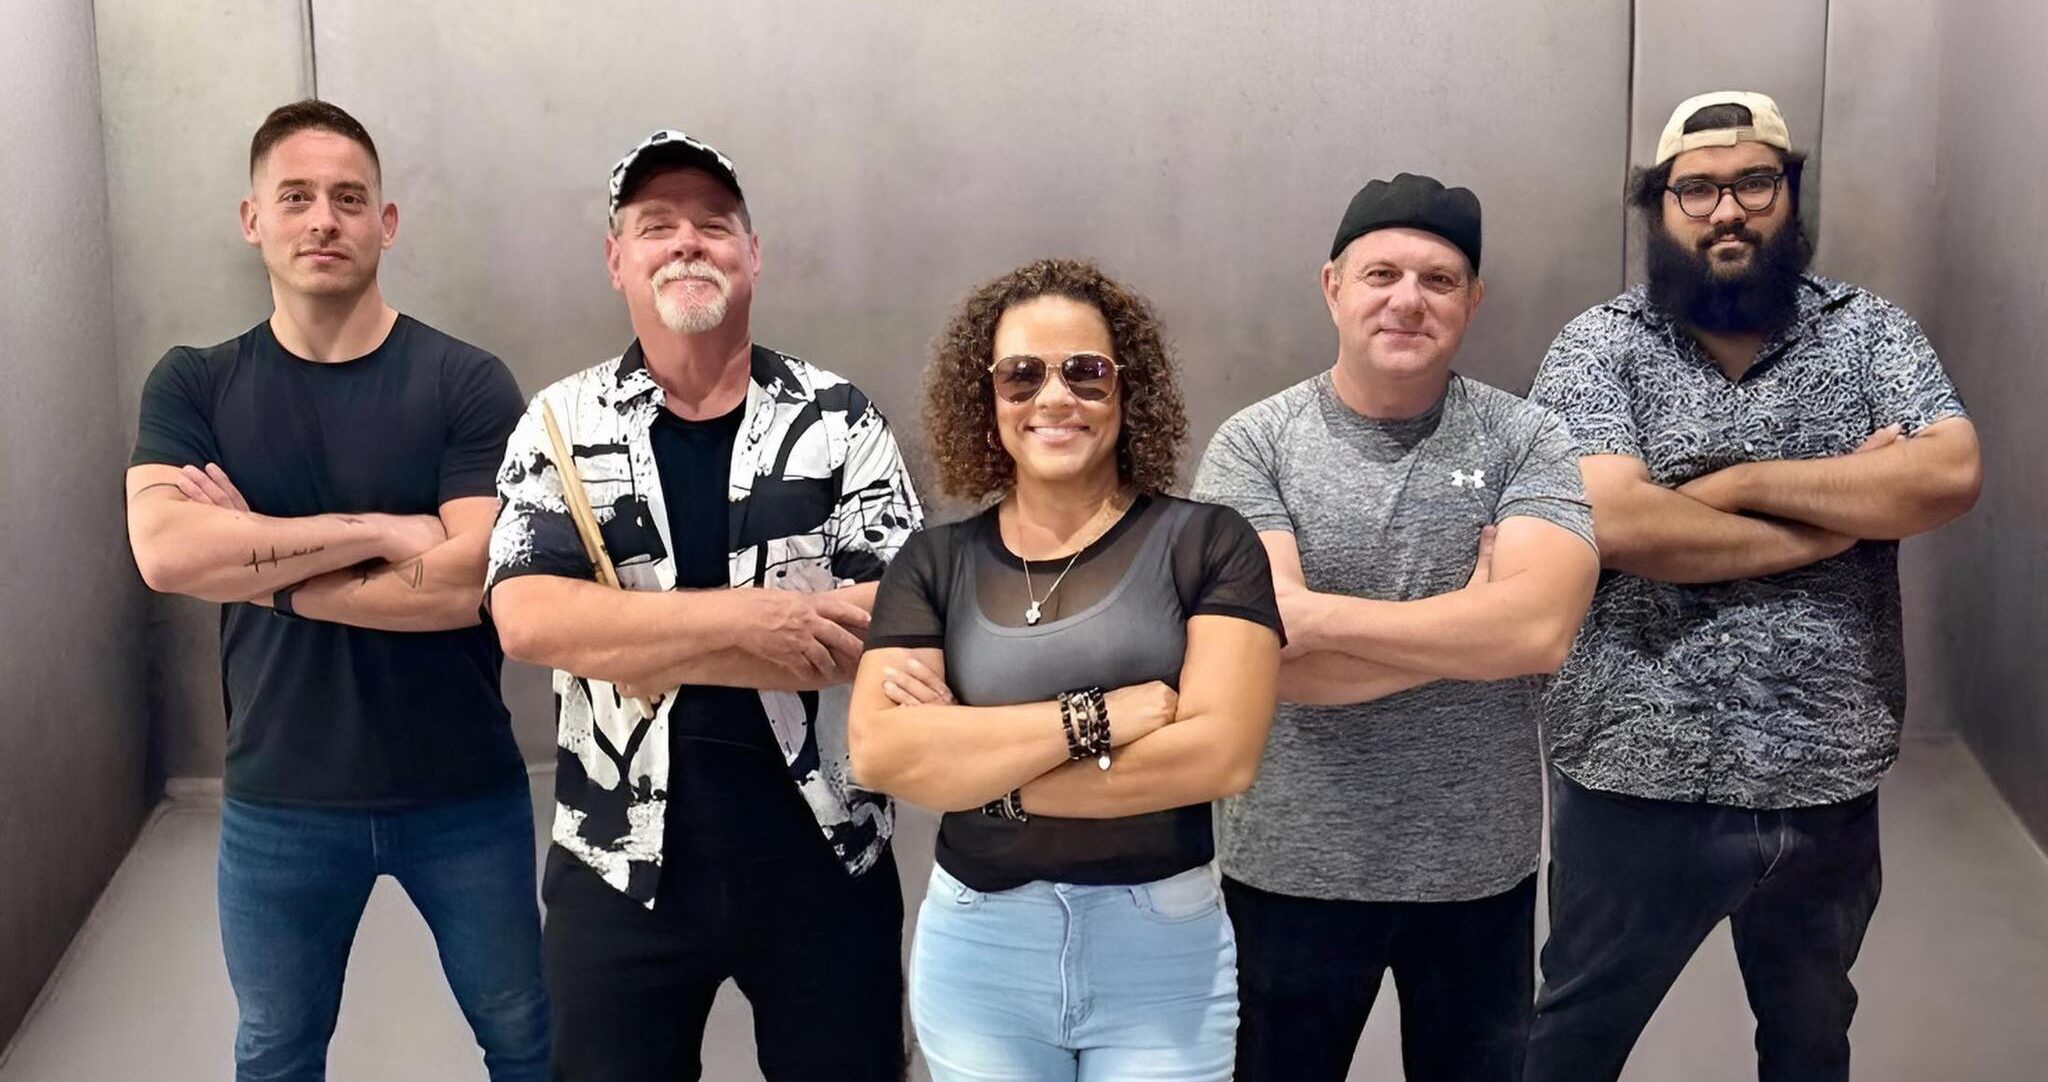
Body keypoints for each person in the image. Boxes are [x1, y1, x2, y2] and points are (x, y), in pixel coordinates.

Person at [1523, 91, 1982, 1082]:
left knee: (1809, 1045)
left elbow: (1946, 473)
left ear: (1788, 193)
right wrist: (1843, 511)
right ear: (1658, 206)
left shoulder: (1869, 332)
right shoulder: (1598, 345)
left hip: (1825, 779)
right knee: (1571, 1043)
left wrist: (1729, 486)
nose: (1725, 210)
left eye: (1753, 182)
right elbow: (1614, 521)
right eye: (1695, 189)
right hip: (1631, 777)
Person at [485, 129, 923, 1081]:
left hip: (826, 852)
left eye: (714, 223)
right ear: (617, 260)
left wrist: (627, 636)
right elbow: (528, 619)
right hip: (616, 859)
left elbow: (900, 622)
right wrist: (752, 621)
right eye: (656, 225)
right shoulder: (558, 423)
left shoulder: (839, 419)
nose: (687, 241)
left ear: (752, 253)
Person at [124, 100, 547, 1081]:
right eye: (297, 197)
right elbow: (168, 554)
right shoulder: (194, 384)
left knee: (528, 1039)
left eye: (349, 199)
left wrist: (265, 576)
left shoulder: (465, 381)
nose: (324, 219)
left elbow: (473, 583)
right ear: (253, 219)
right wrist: (379, 531)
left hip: (463, 789)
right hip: (280, 796)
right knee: (277, 1050)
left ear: (385, 223)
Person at [1191, 173, 1600, 1081]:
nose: (1408, 300)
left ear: (1473, 300)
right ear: (1333, 286)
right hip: (1290, 867)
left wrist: (1314, 616)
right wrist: (1474, 628)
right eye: (1381, 274)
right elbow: (1262, 659)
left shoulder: (1526, 438)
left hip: (1477, 874)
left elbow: (1540, 635)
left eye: (1439, 280)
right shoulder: (1254, 443)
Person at [850, 258, 1283, 1082]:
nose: (1054, 398)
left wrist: (975, 771)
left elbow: (1219, 756)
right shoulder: (932, 563)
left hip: (1160, 951)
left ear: (1129, 389)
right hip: (980, 950)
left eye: (1085, 372)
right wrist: (1098, 717)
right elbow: (879, 753)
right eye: (1022, 375)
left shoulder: (1209, 543)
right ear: (987, 399)